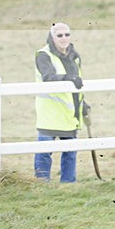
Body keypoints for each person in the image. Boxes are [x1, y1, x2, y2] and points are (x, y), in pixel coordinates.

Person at [34, 22, 89, 182]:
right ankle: (41, 185)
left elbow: (78, 84)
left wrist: (83, 104)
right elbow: (48, 78)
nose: (64, 38)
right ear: (52, 37)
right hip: (50, 113)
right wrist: (69, 78)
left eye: (67, 34)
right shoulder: (43, 55)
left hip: (69, 114)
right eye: (59, 35)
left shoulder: (75, 56)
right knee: (44, 153)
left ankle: (68, 185)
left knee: (70, 152)